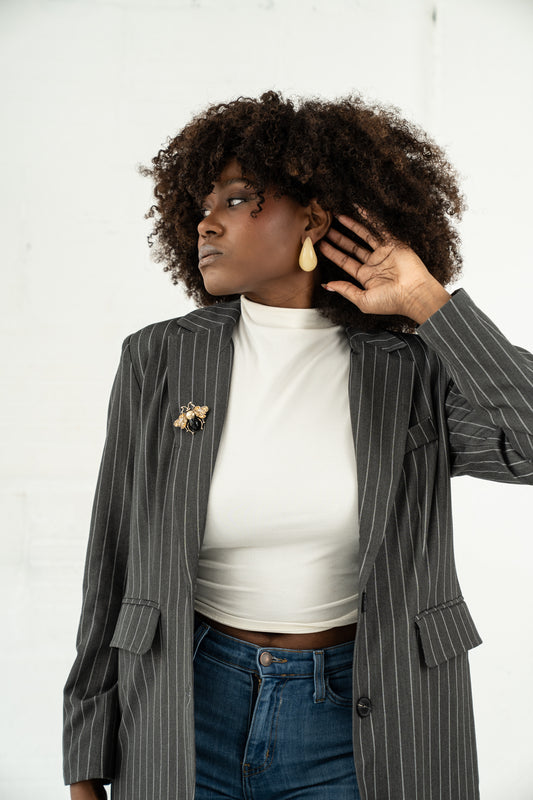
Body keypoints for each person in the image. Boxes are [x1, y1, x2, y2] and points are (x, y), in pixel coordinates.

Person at [63, 91, 533, 800]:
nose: (205, 221)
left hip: (367, 709)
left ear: (314, 216)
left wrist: (429, 306)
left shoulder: (412, 364)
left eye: (235, 199)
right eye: (201, 204)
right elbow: (114, 555)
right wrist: (87, 749)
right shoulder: (158, 359)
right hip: (185, 704)